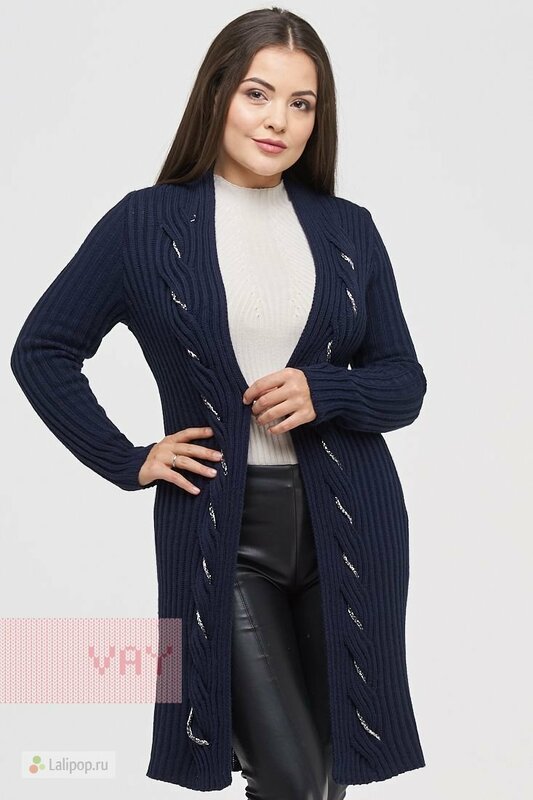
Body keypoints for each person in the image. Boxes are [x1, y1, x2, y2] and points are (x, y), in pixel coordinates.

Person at [10, 6, 428, 797]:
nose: (278, 121)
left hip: (350, 526)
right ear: (217, 95)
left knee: (325, 780)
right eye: (257, 94)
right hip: (221, 530)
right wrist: (129, 459)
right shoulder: (145, 223)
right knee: (293, 779)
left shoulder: (348, 230)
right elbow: (42, 350)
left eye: (301, 103)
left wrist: (327, 388)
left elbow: (403, 381)